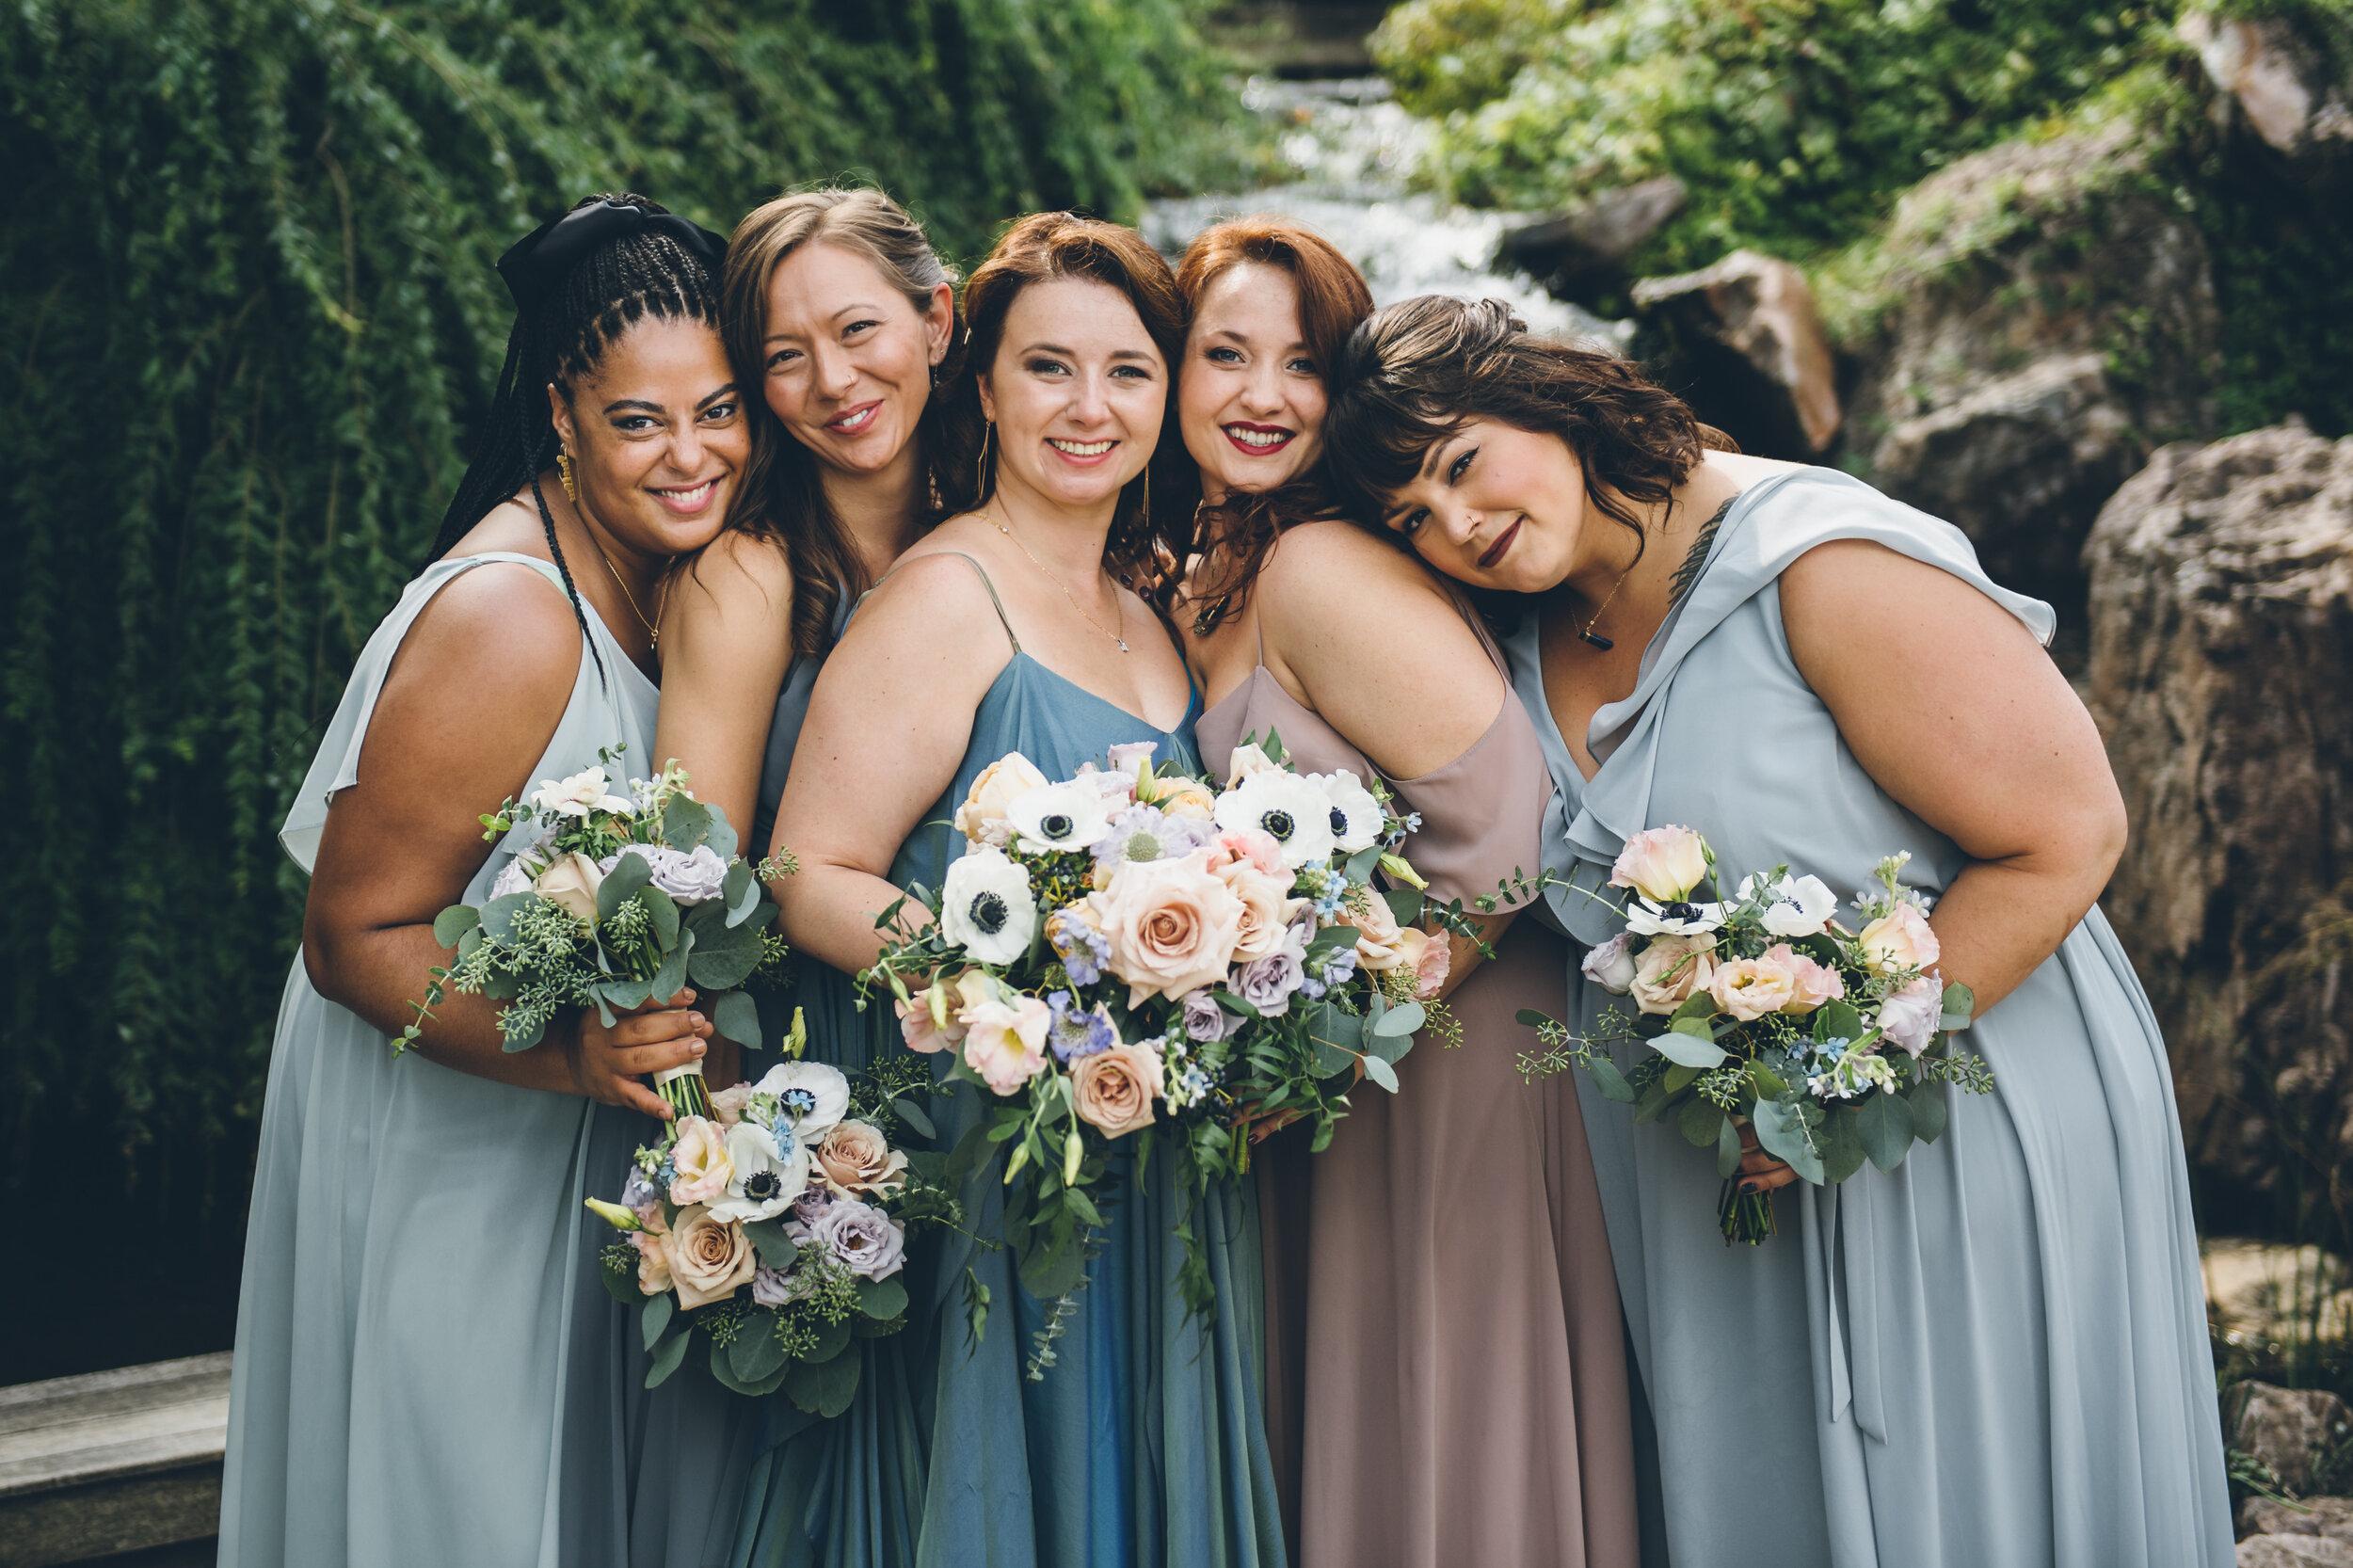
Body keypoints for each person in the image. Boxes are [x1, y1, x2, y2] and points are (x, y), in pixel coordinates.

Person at [1323, 294, 2235, 1568]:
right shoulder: (1517, 634)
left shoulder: (1815, 564)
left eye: (1461, 462)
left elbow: (2068, 832)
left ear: (1544, 393)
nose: (1458, 524)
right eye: (1413, 515)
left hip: (1953, 1118)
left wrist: (1834, 1077)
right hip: (1713, 1179)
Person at [218, 194, 738, 1568]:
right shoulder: (511, 614)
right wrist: (573, 1052)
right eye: (640, 420)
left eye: (721, 408)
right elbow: (351, 934)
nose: (691, 455)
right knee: (461, 1498)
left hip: (568, 1131)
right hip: (446, 1139)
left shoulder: (671, 571)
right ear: (563, 413)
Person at [769, 211, 1285, 1568]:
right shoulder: (948, 598)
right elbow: (805, 871)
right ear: (982, 384)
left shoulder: (1149, 602)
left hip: (1152, 1147)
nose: (1089, 406)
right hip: (999, 1145)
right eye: (1048, 367)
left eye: (1128, 371)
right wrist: (1019, 989)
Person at [1170, 218, 1639, 1568]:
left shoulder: (1321, 563)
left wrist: (1348, 1011)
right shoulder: (1196, 573)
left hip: (1444, 1058)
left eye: (1301, 363)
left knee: (1447, 1415)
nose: (1262, 394)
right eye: (1224, 354)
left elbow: (1509, 825)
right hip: (1339, 1075)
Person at [650, 184, 957, 1567]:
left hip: (1016, 1065)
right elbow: (692, 896)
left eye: (858, 329)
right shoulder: (750, 577)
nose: (833, 381)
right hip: (827, 1083)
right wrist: (742, 1167)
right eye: (784, 355)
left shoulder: (1021, 524)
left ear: (937, 318)